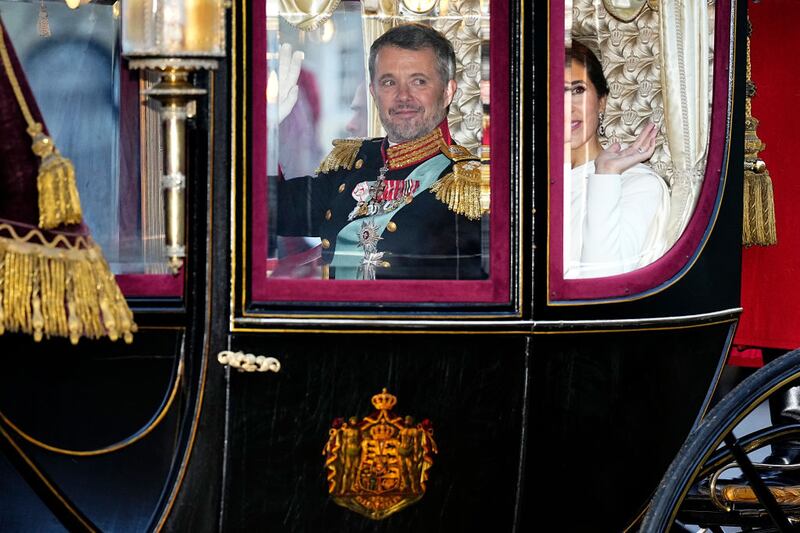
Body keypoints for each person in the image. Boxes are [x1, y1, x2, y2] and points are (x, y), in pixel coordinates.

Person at [275, 24, 485, 280]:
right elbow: (268, 211)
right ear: (374, 92)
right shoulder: (351, 164)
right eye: (389, 82)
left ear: (447, 92)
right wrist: (264, 129)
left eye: (419, 81)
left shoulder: (471, 186)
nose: (403, 96)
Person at [564, 41, 670, 279]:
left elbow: (602, 281)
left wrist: (606, 175)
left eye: (577, 90)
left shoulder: (639, 184)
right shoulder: (522, 188)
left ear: (601, 101)